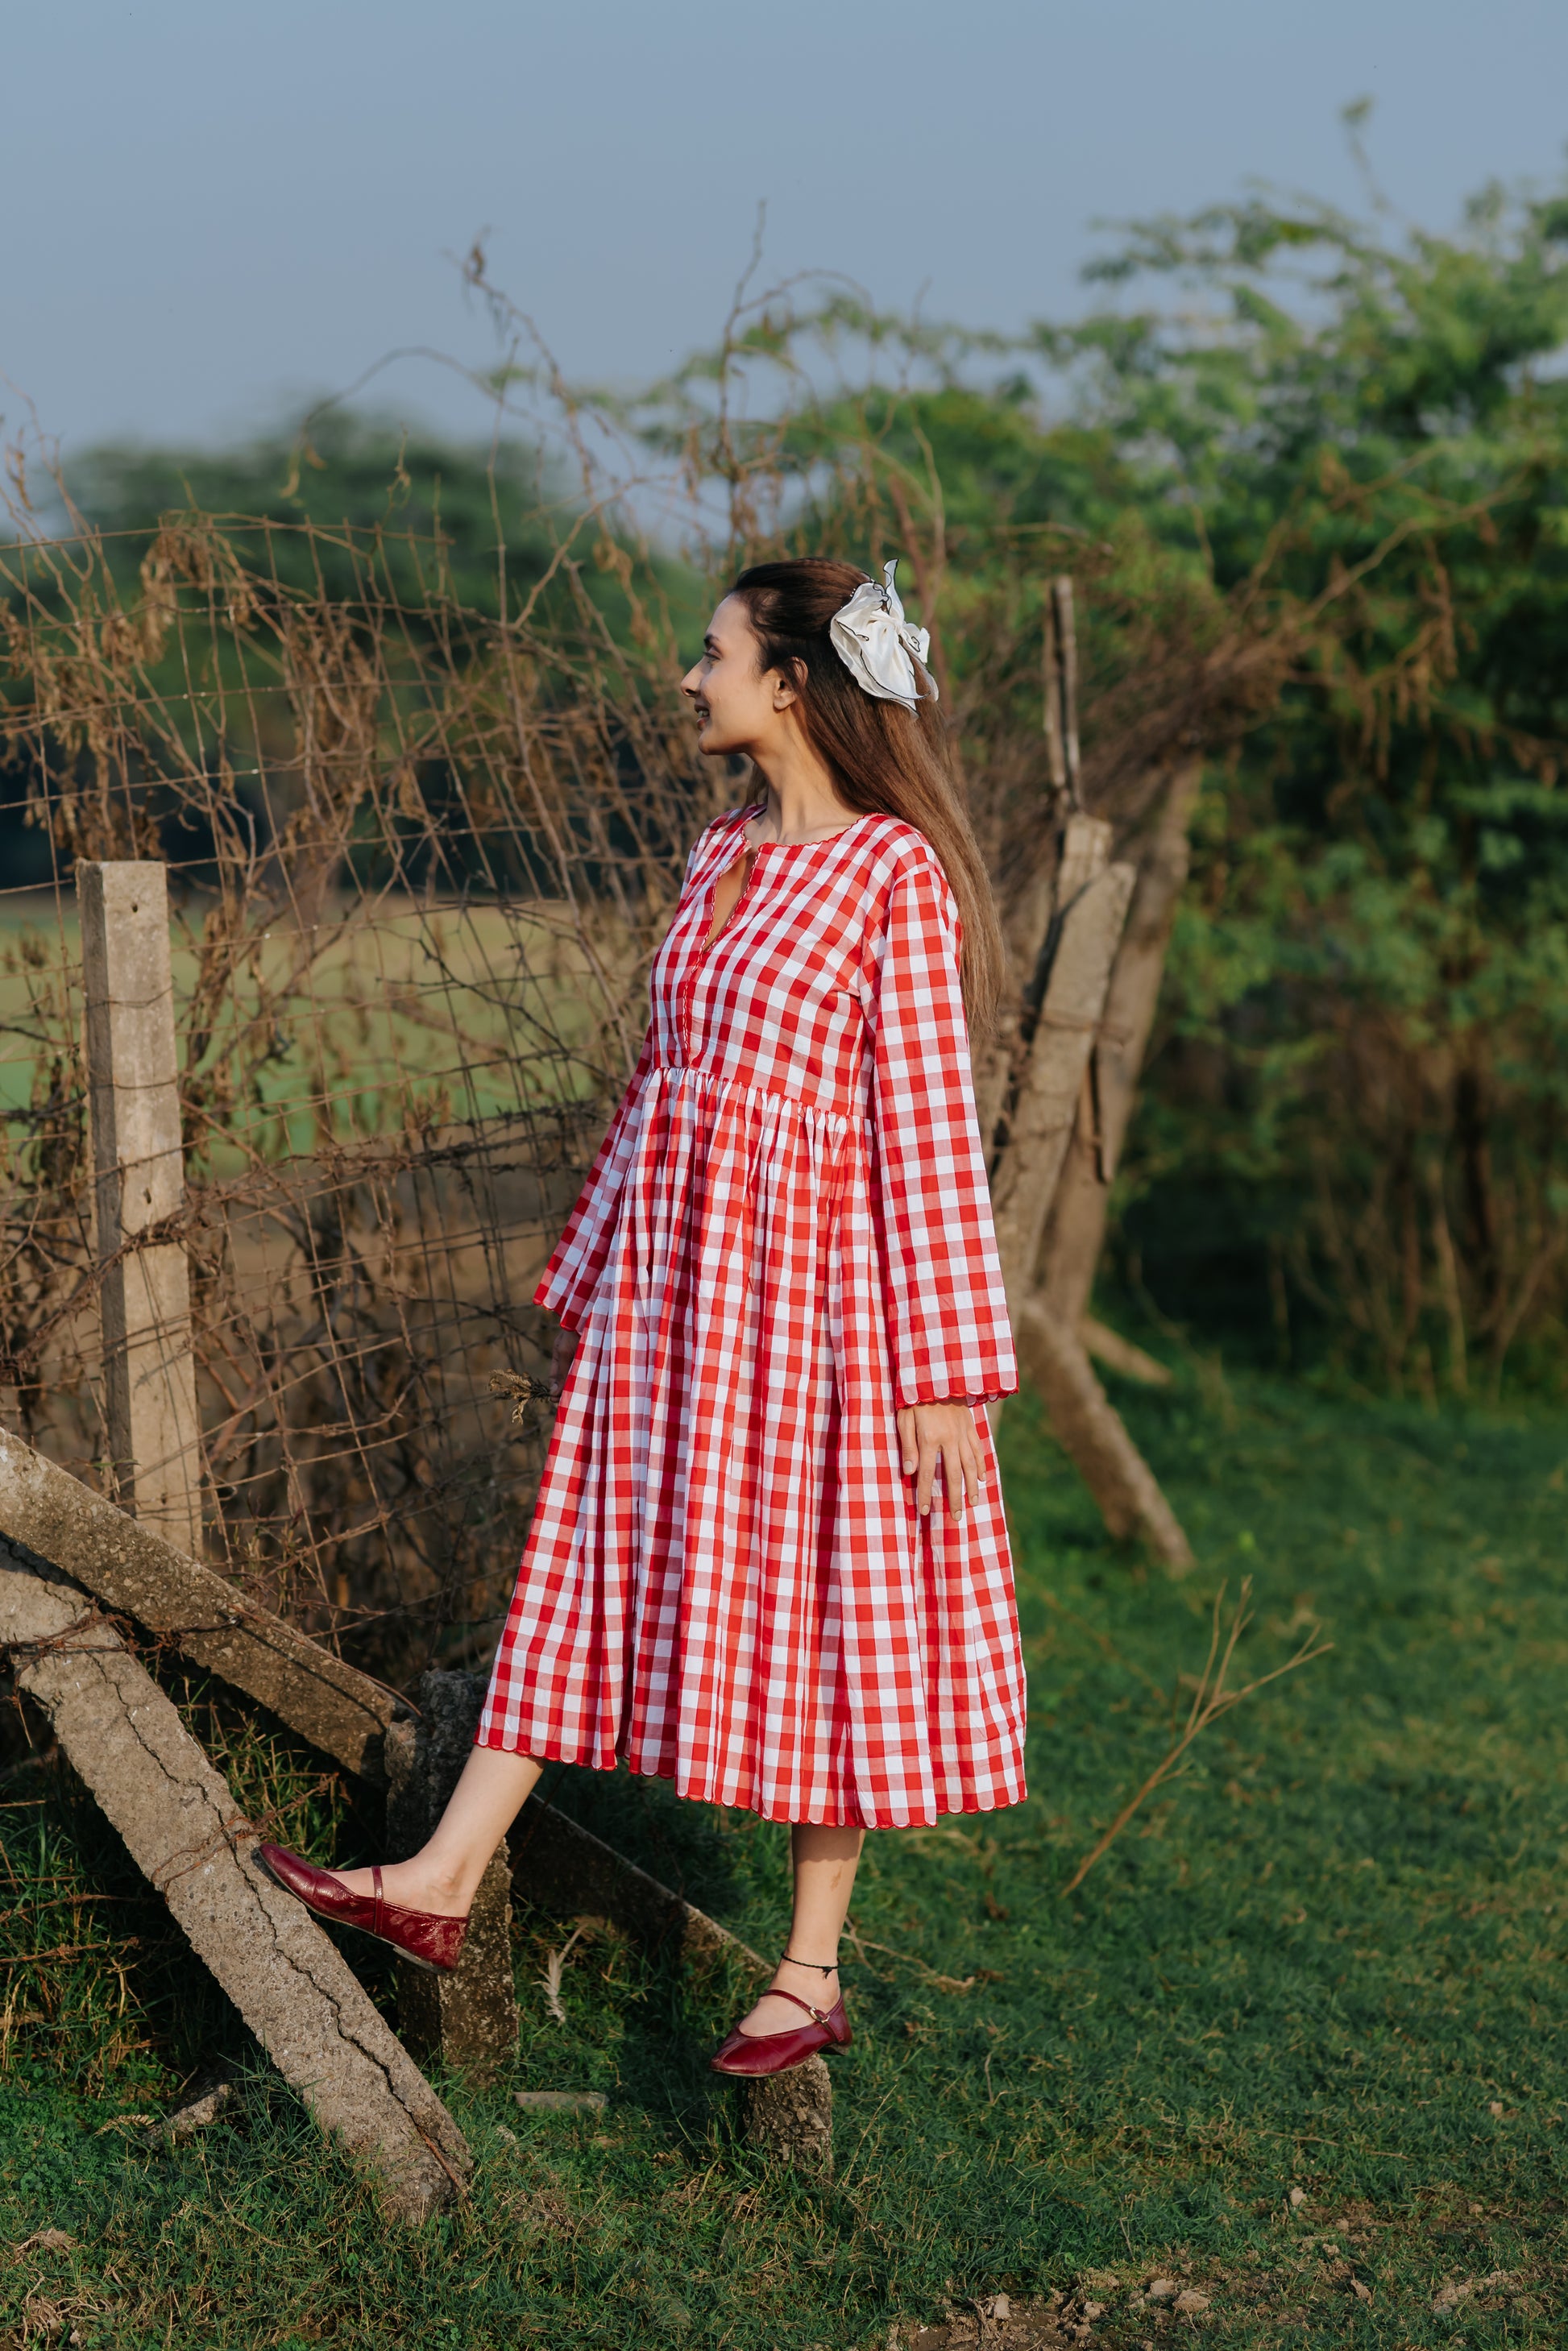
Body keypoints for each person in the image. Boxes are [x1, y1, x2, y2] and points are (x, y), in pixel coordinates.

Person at [259, 556, 1027, 2077]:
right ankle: (442, 1877)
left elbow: (928, 1132)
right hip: (674, 1296)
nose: (688, 675)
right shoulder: (715, 854)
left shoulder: (892, 873)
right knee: (584, 1558)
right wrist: (596, 1273)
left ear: (790, 683)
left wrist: (943, 1373)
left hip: (823, 1308)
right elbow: (663, 1092)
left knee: (833, 1598)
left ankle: (808, 1972)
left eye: (712, 652)